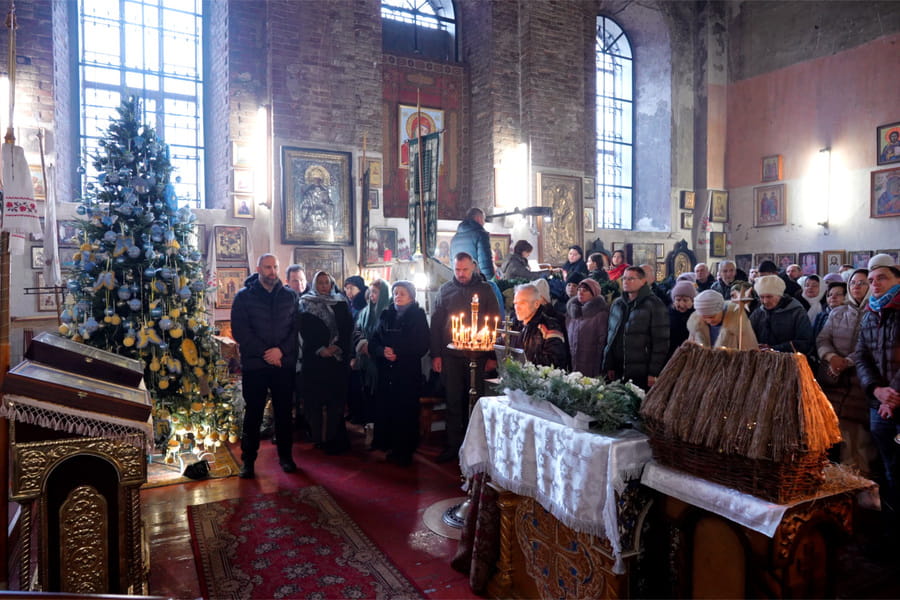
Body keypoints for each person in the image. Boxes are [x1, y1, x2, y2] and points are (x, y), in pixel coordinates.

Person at [230, 254, 299, 478]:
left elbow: (295, 330)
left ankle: (286, 457)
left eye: (275, 267)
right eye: (267, 267)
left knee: (283, 413)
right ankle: (248, 461)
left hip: (282, 363)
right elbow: (241, 331)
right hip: (255, 364)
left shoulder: (289, 296)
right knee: (254, 414)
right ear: (259, 268)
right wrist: (265, 353)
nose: (272, 271)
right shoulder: (244, 296)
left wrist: (280, 351)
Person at [430, 252, 501, 463]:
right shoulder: (445, 290)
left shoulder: (486, 289)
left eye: (465, 270)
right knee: (453, 400)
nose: (461, 274)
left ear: (474, 268)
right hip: (451, 355)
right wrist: (436, 354)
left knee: (475, 400)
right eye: (457, 270)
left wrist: (492, 355)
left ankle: (476, 448)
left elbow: (493, 325)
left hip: (478, 355)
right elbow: (436, 326)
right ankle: (453, 446)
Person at [853, 254, 900, 549]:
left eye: (881, 278)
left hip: (896, 405)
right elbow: (862, 356)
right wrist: (876, 390)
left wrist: (893, 393)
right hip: (879, 407)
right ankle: (892, 535)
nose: (874, 284)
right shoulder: (871, 313)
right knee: (887, 471)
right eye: (870, 280)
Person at [368, 281, 430, 466]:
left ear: (411, 296)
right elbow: (373, 341)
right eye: (395, 293)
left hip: (406, 373)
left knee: (405, 412)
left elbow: (422, 345)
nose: (398, 296)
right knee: (387, 409)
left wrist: (397, 352)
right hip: (386, 373)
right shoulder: (387, 314)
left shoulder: (418, 316)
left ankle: (404, 450)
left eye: (402, 293)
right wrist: (382, 351)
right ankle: (386, 443)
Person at [817, 272, 872, 474]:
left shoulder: (875, 311)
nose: (856, 287)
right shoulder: (838, 312)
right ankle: (841, 480)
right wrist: (831, 358)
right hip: (836, 380)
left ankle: (861, 484)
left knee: (859, 439)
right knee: (838, 434)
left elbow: (870, 346)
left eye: (862, 283)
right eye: (853, 283)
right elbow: (823, 338)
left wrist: (847, 362)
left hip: (860, 380)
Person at [299, 271, 354, 455]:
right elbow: (304, 330)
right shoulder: (305, 302)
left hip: (337, 361)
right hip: (315, 360)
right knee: (315, 401)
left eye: (327, 283)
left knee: (335, 401)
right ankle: (317, 437)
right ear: (314, 284)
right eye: (320, 283)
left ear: (331, 284)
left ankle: (333, 438)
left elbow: (348, 329)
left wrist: (337, 347)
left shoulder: (341, 302)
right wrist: (320, 348)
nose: (323, 286)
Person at [603, 266, 669, 389]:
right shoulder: (617, 304)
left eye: (631, 279)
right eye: (624, 279)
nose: (626, 282)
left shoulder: (654, 304)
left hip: (641, 369)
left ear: (643, 281)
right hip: (618, 367)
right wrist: (609, 364)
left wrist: (653, 372)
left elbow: (661, 341)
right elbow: (612, 337)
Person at [351, 279, 390, 440]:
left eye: (376, 293)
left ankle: (380, 434)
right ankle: (369, 431)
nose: (372, 296)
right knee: (367, 396)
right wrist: (362, 344)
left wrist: (373, 348)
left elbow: (386, 337)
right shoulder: (364, 312)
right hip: (365, 362)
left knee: (381, 400)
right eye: (371, 292)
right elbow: (356, 330)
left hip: (382, 364)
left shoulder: (388, 312)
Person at [749, 275, 813, 354]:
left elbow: (804, 342)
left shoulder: (796, 312)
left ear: (779, 295)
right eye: (761, 297)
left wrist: (773, 349)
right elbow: (748, 335)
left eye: (769, 297)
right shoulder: (758, 313)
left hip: (790, 360)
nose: (765, 301)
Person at [511, 283, 569, 369]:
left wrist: (525, 364)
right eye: (515, 303)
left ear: (536, 304)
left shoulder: (549, 327)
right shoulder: (514, 325)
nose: (517, 308)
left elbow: (555, 362)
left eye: (522, 303)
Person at [687, 289, 757, 350]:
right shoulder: (696, 326)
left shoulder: (739, 323)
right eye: (704, 317)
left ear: (721, 310)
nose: (709, 320)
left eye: (712, 316)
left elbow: (750, 352)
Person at [566, 278, 608, 376]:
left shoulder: (600, 315)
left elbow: (602, 343)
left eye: (585, 291)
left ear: (594, 293)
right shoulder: (573, 312)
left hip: (592, 365)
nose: (581, 293)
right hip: (573, 363)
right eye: (579, 290)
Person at [450, 207, 494, 278]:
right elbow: (485, 263)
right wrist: (490, 282)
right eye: (483, 219)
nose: (484, 222)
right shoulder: (481, 235)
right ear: (478, 218)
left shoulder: (454, 238)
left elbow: (452, 264)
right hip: (475, 282)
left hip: (460, 281)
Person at [668, 280, 696, 357]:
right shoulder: (667, 314)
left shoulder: (697, 316)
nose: (681, 304)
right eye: (678, 300)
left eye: (685, 300)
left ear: (692, 301)